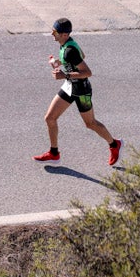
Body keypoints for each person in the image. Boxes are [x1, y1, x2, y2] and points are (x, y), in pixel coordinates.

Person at [33, 18, 122, 166]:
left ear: (64, 34)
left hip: (81, 91)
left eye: (55, 31)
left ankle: (115, 144)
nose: (51, 33)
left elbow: (87, 72)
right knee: (50, 118)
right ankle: (54, 153)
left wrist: (64, 75)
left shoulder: (69, 50)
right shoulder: (67, 44)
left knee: (90, 123)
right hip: (70, 86)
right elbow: (82, 56)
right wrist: (59, 62)